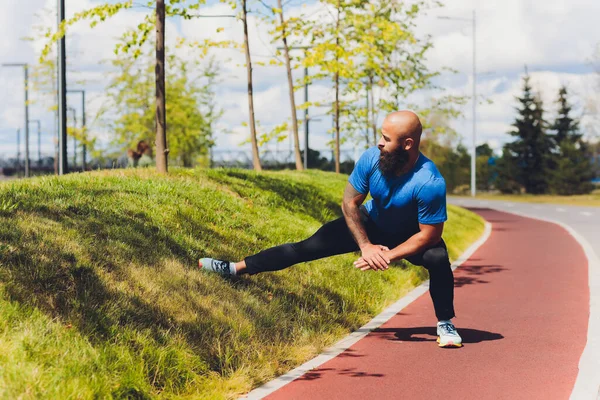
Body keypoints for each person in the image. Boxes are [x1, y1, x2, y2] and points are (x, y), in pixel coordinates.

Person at [199, 110, 462, 348]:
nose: (380, 142)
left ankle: (445, 322)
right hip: (373, 223)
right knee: (307, 247)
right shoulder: (372, 158)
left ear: (407, 144)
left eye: (386, 138)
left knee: (437, 258)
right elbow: (350, 202)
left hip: (411, 234)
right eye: (380, 136)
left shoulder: (429, 181)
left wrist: (387, 256)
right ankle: (235, 268)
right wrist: (366, 246)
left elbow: (429, 235)